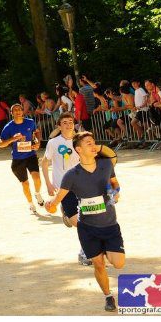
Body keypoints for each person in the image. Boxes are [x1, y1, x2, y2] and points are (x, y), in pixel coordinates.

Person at [45, 132, 125, 312]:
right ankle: (108, 296)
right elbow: (57, 200)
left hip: (110, 224)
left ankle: (104, 249)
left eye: (94, 142)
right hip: (87, 227)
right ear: (79, 150)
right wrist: (51, 206)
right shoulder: (71, 175)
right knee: (98, 263)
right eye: (88, 143)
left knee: (119, 263)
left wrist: (116, 191)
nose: (93, 145)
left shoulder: (105, 164)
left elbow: (114, 182)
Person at [41, 113, 92, 266]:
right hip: (64, 188)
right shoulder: (53, 143)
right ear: (59, 126)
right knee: (78, 222)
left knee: (87, 220)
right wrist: (48, 184)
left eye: (71, 122)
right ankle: (66, 213)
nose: (69, 125)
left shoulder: (81, 140)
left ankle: (85, 252)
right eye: (65, 122)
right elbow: (44, 163)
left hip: (82, 185)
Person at [0, 104, 43, 215]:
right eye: (15, 110)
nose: (18, 111)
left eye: (20, 109)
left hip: (31, 155)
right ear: (11, 113)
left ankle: (37, 193)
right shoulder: (8, 127)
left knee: (37, 179)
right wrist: (12, 139)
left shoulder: (30, 122)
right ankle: (31, 204)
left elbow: (37, 132)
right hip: (18, 159)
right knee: (25, 184)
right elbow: (0, 144)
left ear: (23, 112)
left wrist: (37, 142)